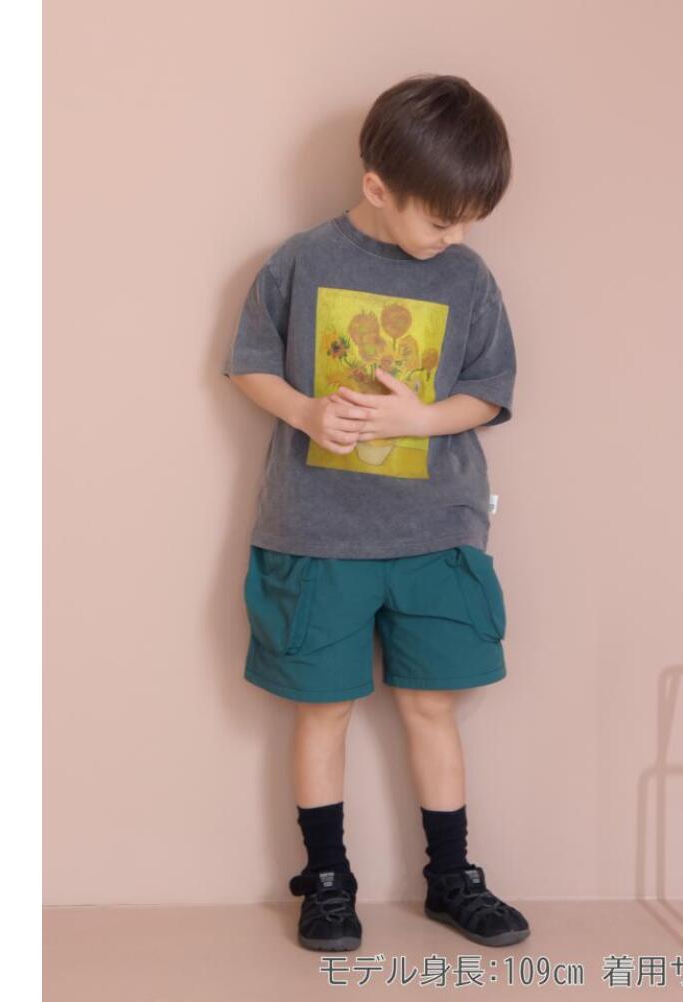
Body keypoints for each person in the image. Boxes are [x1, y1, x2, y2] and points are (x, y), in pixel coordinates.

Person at [222, 73, 528, 953]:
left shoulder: (468, 278)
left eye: (469, 221)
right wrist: (309, 413)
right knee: (322, 710)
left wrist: (420, 420)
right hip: (317, 533)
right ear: (378, 187)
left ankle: (452, 878)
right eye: (441, 219)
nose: (456, 236)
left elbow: (490, 390)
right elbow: (248, 363)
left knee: (431, 706)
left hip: (436, 533)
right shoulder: (300, 261)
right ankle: (326, 881)